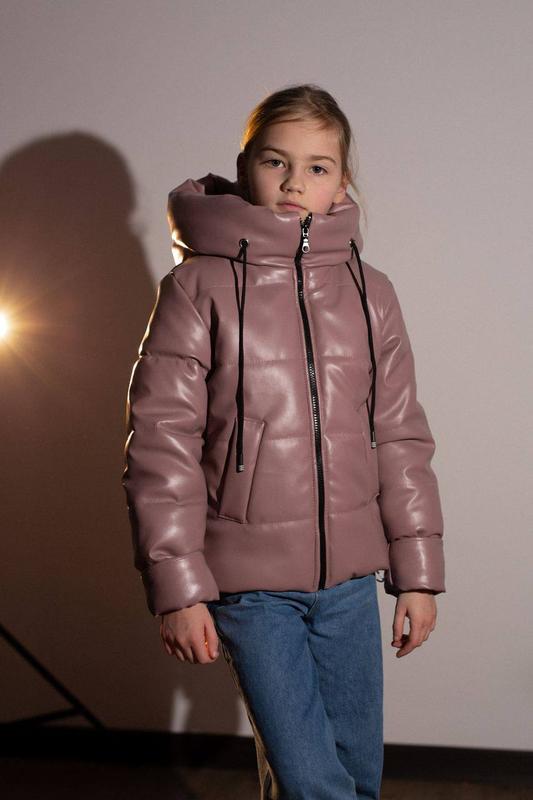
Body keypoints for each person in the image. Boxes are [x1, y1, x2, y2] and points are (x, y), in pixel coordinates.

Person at [121, 83, 446, 800]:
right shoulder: (196, 288)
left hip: (349, 587)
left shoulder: (371, 292)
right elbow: (161, 445)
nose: (296, 182)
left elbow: (399, 434)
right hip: (250, 588)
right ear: (246, 168)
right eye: (277, 162)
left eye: (317, 167)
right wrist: (178, 588)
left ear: (341, 183)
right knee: (312, 784)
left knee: (354, 779)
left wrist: (417, 573)